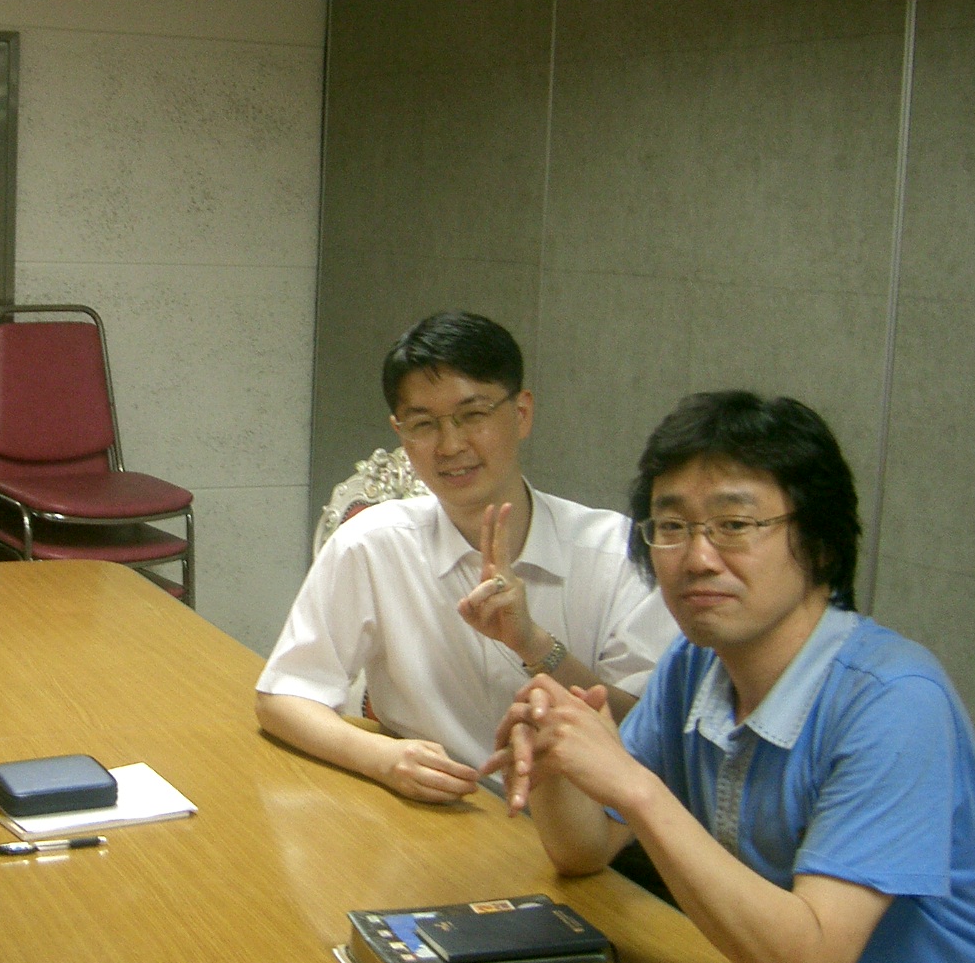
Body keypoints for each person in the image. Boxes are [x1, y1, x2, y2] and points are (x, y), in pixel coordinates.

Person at [484, 391, 975, 963]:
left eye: (735, 524)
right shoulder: (696, 665)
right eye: (672, 526)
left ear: (819, 542)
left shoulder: (895, 702)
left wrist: (634, 785)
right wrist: (554, 757)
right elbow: (584, 851)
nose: (697, 557)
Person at [256, 311, 676, 802]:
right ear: (400, 432)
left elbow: (647, 731)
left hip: (585, 825)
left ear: (521, 413)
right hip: (434, 809)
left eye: (473, 415)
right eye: (423, 424)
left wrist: (534, 644)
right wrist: (382, 758)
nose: (451, 445)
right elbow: (285, 695)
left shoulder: (615, 552)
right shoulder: (371, 543)